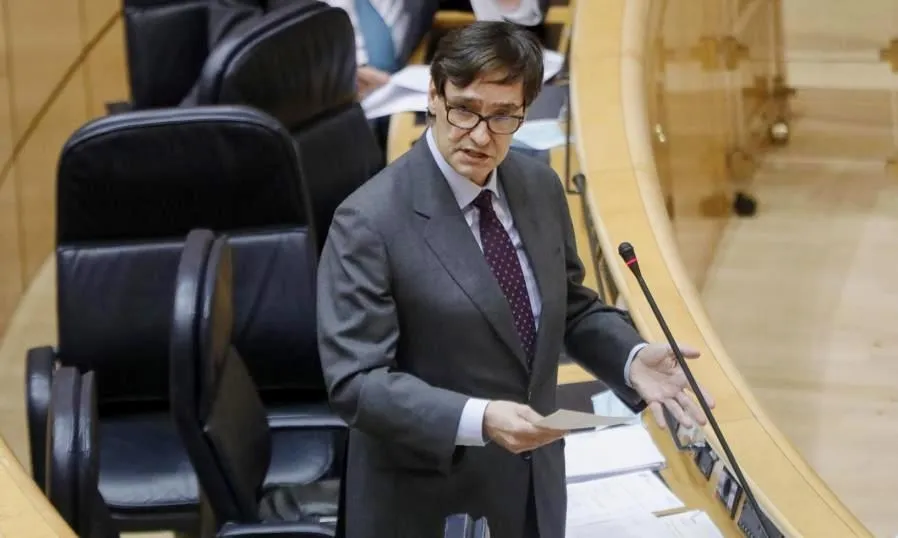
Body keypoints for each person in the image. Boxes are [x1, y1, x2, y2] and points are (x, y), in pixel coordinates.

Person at [316, 21, 714, 538]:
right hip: (429, 503)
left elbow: (569, 306)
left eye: (504, 117)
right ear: (434, 96)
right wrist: (478, 418)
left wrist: (630, 358)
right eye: (465, 109)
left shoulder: (538, 186)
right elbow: (356, 383)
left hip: (534, 487)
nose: (481, 136)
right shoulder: (368, 222)